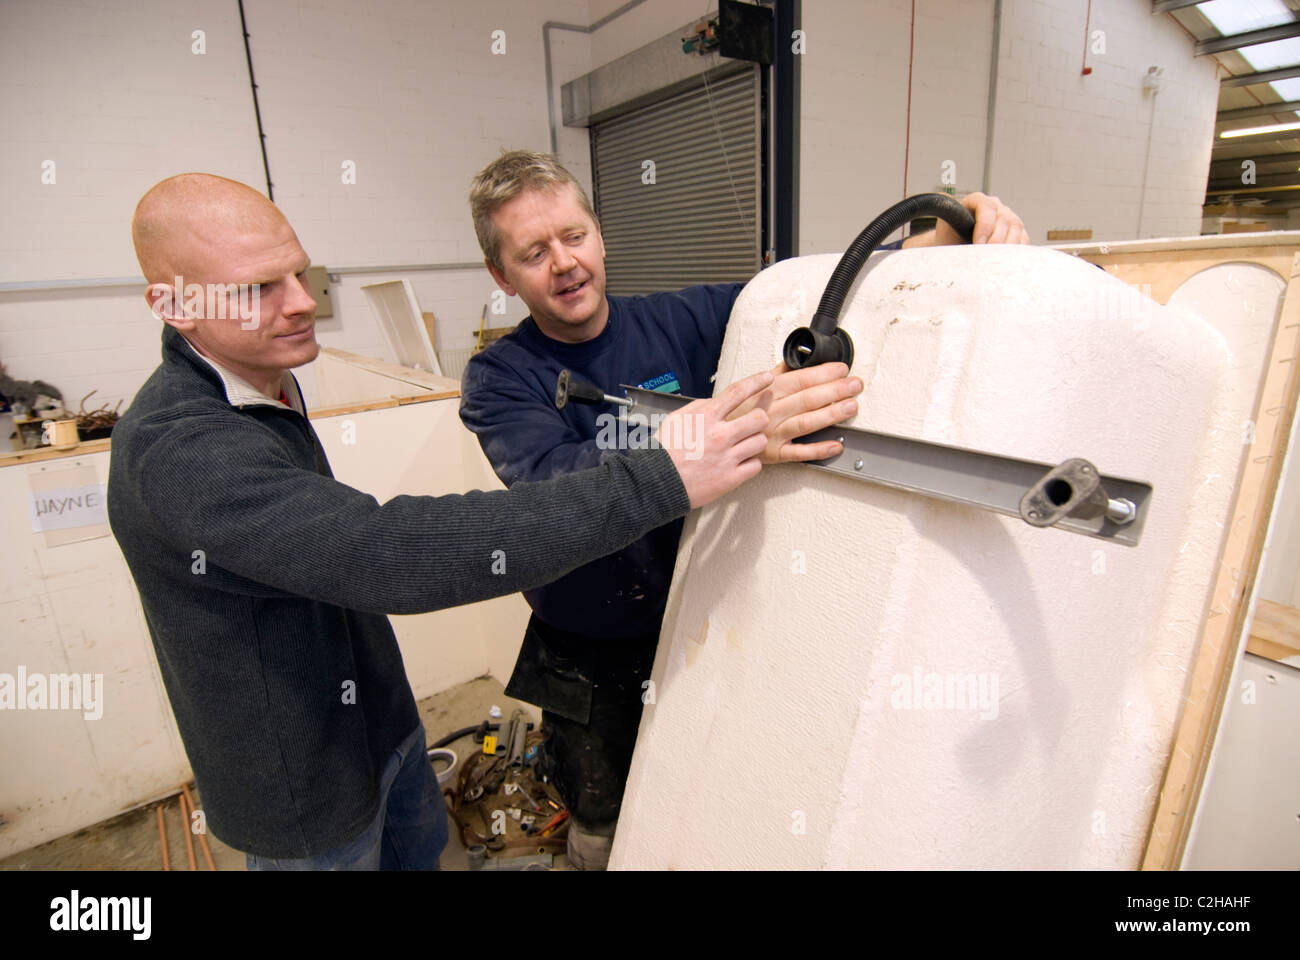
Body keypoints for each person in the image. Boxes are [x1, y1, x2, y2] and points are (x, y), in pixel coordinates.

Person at [106, 172, 782, 870]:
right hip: (302, 780)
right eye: (259, 289)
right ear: (173, 303)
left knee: (423, 853)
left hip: (382, 727)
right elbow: (379, 556)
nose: (304, 302)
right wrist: (667, 472)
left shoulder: (261, 382)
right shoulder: (180, 449)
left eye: (298, 273)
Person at [459, 150, 1029, 869]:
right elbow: (551, 486)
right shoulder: (500, 378)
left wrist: (943, 229)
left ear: (599, 235)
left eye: (573, 237)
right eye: (533, 252)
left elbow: (823, 291)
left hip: (699, 611)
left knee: (692, 780)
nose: (564, 263)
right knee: (601, 816)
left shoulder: (684, 319)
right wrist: (730, 434)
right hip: (590, 648)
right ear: (502, 275)